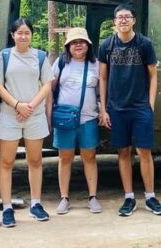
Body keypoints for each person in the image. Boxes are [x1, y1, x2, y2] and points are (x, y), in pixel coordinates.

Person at [98, 3, 161, 216]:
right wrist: (104, 109)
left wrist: (150, 104)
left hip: (140, 108)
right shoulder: (106, 45)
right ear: (114, 22)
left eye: (127, 17)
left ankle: (150, 196)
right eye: (120, 17)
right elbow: (102, 77)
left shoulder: (144, 44)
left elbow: (154, 75)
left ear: (133, 20)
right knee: (123, 152)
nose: (124, 20)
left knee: (144, 151)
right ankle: (129, 198)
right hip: (117, 108)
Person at [0, 18, 54, 227]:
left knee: (35, 161)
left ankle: (36, 204)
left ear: (31, 35)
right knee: (6, 162)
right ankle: (7, 207)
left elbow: (47, 85)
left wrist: (29, 107)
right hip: (10, 115)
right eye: (19, 32)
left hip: (34, 116)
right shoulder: (4, 56)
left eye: (27, 32)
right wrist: (17, 105)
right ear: (13, 35)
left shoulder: (40, 56)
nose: (23, 36)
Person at [49, 27, 103, 215]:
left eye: (81, 42)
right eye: (73, 42)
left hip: (88, 118)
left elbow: (102, 91)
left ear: (88, 45)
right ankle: (64, 198)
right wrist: (48, 113)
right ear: (68, 46)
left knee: (89, 157)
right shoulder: (61, 63)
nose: (78, 45)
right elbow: (50, 88)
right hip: (64, 119)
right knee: (65, 158)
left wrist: (103, 110)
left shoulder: (96, 64)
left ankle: (93, 197)